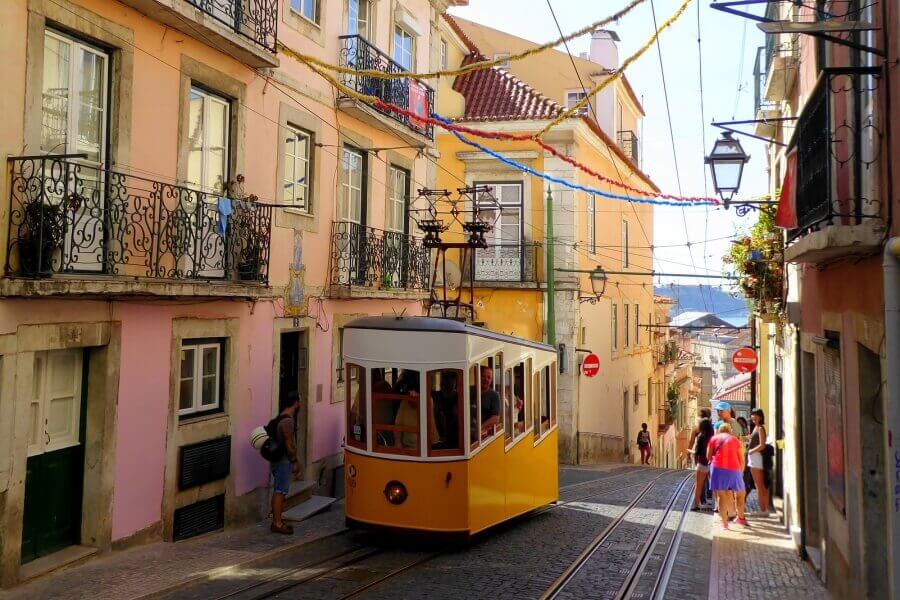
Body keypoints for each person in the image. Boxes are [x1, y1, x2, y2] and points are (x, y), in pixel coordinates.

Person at [270, 392, 302, 534]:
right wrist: (295, 462)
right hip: (283, 460)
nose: (300, 404)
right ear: (295, 402)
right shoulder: (288, 421)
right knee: (280, 491)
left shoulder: (279, 418)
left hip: (277, 460)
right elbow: (290, 445)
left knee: (279, 490)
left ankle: (277, 521)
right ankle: (277, 523)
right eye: (299, 401)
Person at [707, 422, 748, 529]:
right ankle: (741, 518)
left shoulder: (713, 439)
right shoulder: (735, 440)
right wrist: (741, 472)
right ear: (730, 430)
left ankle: (724, 523)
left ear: (719, 430)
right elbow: (741, 459)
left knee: (721, 496)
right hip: (734, 469)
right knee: (740, 494)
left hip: (717, 469)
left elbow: (708, 456)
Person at [747, 408, 771, 515]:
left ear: (760, 417)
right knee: (760, 485)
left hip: (756, 458)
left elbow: (762, 445)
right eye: (752, 416)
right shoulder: (756, 427)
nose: (753, 418)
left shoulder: (760, 428)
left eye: (755, 416)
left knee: (759, 485)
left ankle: (763, 510)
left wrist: (751, 450)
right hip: (754, 458)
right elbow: (752, 438)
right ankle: (764, 509)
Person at [470, 365, 500, 439]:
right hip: (466, 434)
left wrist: (479, 428)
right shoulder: (469, 390)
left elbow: (495, 418)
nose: (486, 379)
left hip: (484, 436)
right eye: (483, 376)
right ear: (478, 376)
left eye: (489, 377)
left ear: (491, 380)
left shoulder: (494, 395)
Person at [691, 417, 714, 510]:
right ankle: (718, 506)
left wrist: (690, 451)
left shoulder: (700, 437)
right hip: (712, 464)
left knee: (698, 486)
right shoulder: (713, 437)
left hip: (702, 464)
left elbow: (697, 452)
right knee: (715, 486)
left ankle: (696, 505)